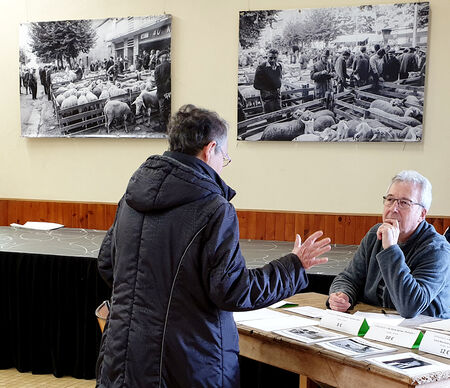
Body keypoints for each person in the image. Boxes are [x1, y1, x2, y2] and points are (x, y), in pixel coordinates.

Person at [96, 104, 331, 387]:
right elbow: (232, 290)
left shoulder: (131, 198)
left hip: (124, 358)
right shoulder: (213, 208)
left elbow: (107, 265)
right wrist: (294, 265)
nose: (223, 164)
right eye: (225, 156)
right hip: (186, 363)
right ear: (210, 150)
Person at [328, 170, 450, 319]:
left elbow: (410, 307)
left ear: (422, 214)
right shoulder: (375, 234)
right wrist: (342, 295)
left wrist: (391, 249)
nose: (393, 208)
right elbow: (349, 278)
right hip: (376, 322)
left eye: (404, 203)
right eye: (390, 200)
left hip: (421, 332)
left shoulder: (437, 250)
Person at [253, 48, 283, 113]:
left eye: (275, 58)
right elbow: (256, 84)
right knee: (270, 115)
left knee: (278, 113)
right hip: (267, 97)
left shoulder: (279, 66)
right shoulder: (261, 67)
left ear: (277, 57)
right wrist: (267, 91)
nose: (273, 60)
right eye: (270, 58)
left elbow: (279, 77)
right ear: (267, 57)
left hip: (277, 95)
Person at [154, 49, 171, 132]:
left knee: (162, 109)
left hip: (162, 93)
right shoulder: (172, 66)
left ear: (161, 58)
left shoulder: (157, 68)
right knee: (169, 108)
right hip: (171, 92)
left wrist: (164, 93)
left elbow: (158, 83)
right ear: (166, 57)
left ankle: (163, 127)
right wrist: (168, 92)